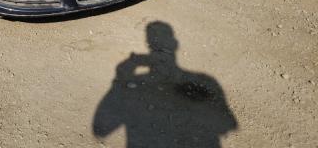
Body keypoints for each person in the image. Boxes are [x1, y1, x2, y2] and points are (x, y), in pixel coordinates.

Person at [93, 21, 237, 147]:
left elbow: (101, 129)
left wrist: (121, 77)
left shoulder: (135, 86)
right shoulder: (205, 81)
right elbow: (227, 125)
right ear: (175, 45)